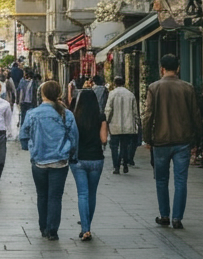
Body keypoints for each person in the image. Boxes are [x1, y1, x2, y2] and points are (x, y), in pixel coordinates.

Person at [141, 54, 203, 230]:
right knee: (180, 180)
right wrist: (198, 138)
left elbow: (148, 116)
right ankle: (177, 217)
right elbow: (195, 115)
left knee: (161, 180)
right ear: (178, 68)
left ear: (162, 69)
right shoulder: (187, 88)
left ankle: (164, 215)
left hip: (160, 141)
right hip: (182, 140)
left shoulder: (154, 88)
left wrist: (147, 138)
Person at [18, 80, 77, 242]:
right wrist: (72, 154)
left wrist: (29, 146)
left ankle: (43, 227)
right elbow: (74, 137)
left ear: (42, 94)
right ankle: (52, 231)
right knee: (55, 197)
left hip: (39, 161)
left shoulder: (32, 113)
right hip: (60, 162)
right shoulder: (66, 114)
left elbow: (23, 135)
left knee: (42, 195)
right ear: (59, 94)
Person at [69, 89, 107, 242]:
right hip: (96, 159)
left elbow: (71, 138)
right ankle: (87, 226)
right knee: (92, 194)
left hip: (79, 160)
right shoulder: (100, 116)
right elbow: (104, 139)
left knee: (82, 194)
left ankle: (86, 229)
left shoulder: (74, 117)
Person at [104, 76, 140, 174]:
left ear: (115, 83)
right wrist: (137, 123)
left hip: (115, 125)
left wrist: (106, 122)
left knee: (114, 146)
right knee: (124, 146)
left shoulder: (112, 94)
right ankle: (124, 163)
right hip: (128, 125)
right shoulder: (130, 95)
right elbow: (135, 112)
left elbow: (108, 110)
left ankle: (116, 166)